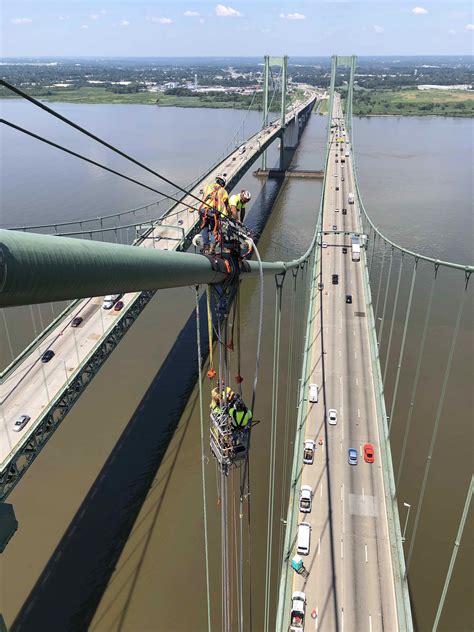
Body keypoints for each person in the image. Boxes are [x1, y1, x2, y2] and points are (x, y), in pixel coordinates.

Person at [199, 174, 230, 254]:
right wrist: (225, 216)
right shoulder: (224, 191)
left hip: (203, 210)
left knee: (204, 228)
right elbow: (225, 204)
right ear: (223, 183)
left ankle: (205, 247)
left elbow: (204, 197)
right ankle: (212, 249)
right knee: (215, 230)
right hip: (214, 213)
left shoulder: (207, 186)